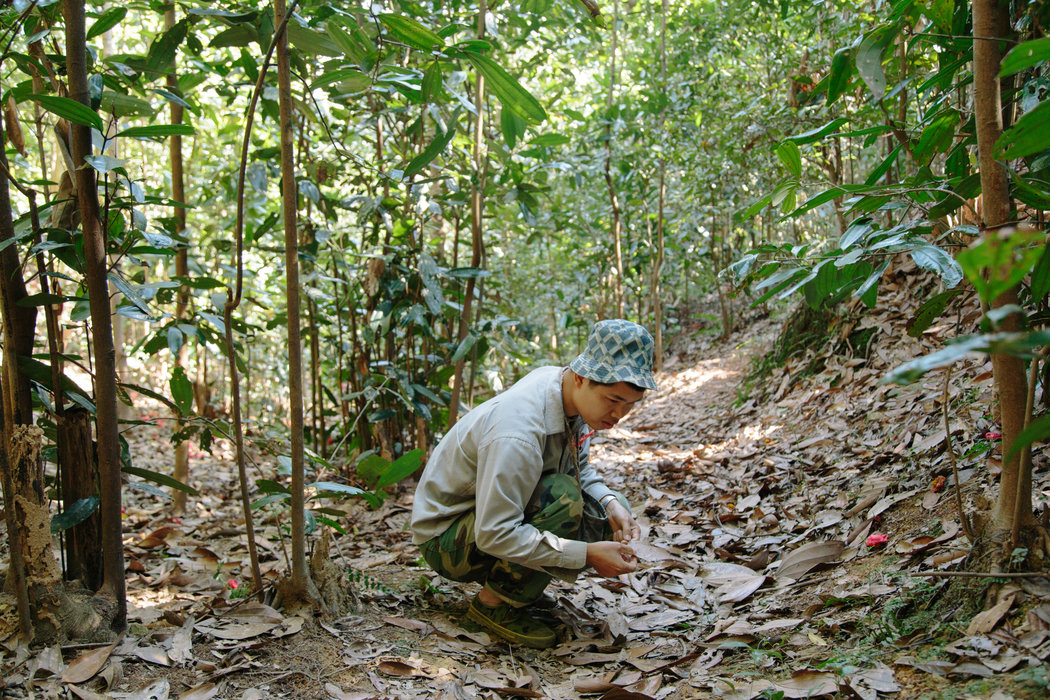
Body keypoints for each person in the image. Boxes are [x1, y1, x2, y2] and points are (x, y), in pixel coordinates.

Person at [411, 319, 657, 649]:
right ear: (582, 377)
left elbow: (580, 469)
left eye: (629, 405)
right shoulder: (519, 433)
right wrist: (586, 554)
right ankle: (491, 607)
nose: (619, 414)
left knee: (606, 508)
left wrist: (611, 502)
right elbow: (495, 532)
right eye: (613, 400)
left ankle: (517, 591)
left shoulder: (569, 393)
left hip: (485, 520)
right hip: (447, 540)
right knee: (565, 499)